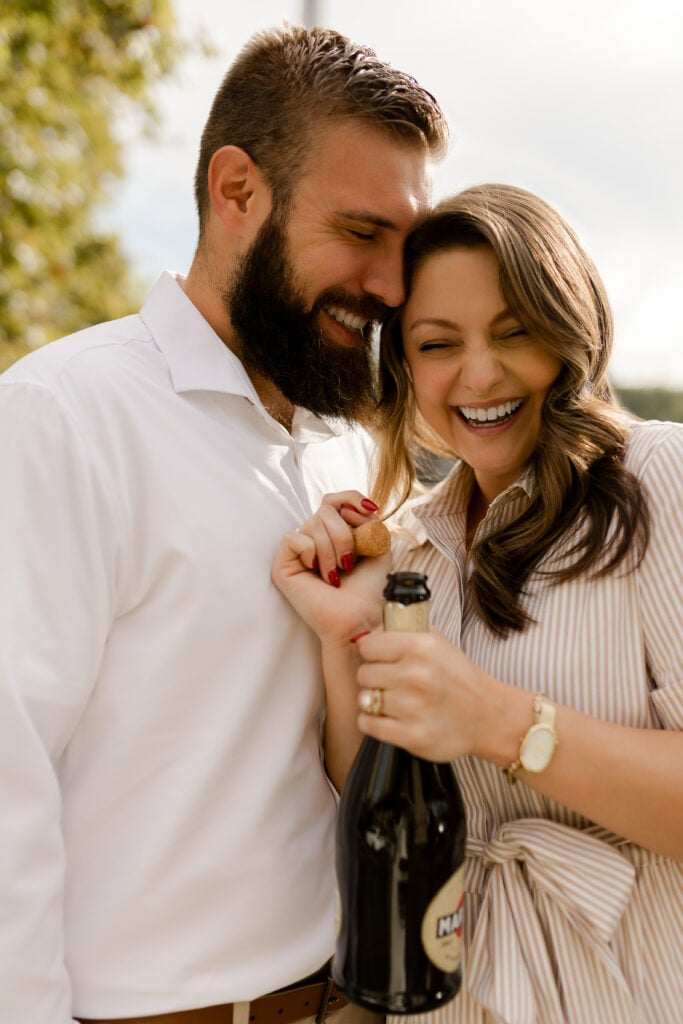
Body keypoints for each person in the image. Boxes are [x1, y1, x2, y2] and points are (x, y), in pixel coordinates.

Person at [0, 24, 448, 1024]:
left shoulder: (341, 454)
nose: (388, 285)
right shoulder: (62, 417)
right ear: (236, 191)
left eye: (404, 248)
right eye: (360, 232)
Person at [272, 184, 683, 1024]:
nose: (480, 375)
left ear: (570, 330)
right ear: (405, 367)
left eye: (513, 332)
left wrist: (499, 721)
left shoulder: (658, 480)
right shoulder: (411, 545)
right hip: (450, 997)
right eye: (437, 344)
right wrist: (346, 632)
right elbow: (378, 790)